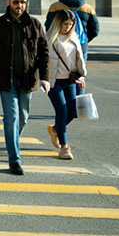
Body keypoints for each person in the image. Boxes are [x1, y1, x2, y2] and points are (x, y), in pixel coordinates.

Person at [0, 0, 50, 176]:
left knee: (23, 117)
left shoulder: (35, 24)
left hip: (28, 79)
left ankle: (12, 141)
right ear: (8, 2)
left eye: (23, 2)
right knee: (11, 117)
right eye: (16, 2)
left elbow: (44, 53)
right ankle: (14, 160)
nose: (19, 6)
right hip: (6, 80)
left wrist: (45, 77)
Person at [45, 9, 87, 161]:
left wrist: (81, 76)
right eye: (65, 24)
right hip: (54, 81)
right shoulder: (50, 38)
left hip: (70, 80)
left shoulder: (74, 37)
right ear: (58, 23)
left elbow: (79, 59)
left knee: (73, 112)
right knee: (62, 111)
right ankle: (64, 147)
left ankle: (55, 129)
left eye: (70, 24)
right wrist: (43, 80)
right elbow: (42, 61)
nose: (68, 27)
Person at [44, 0, 99, 94]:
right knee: (80, 73)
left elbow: (49, 26)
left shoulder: (56, 6)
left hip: (59, 44)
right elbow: (95, 30)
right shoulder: (87, 8)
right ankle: (79, 104)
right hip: (80, 45)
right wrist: (83, 41)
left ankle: (64, 100)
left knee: (60, 72)